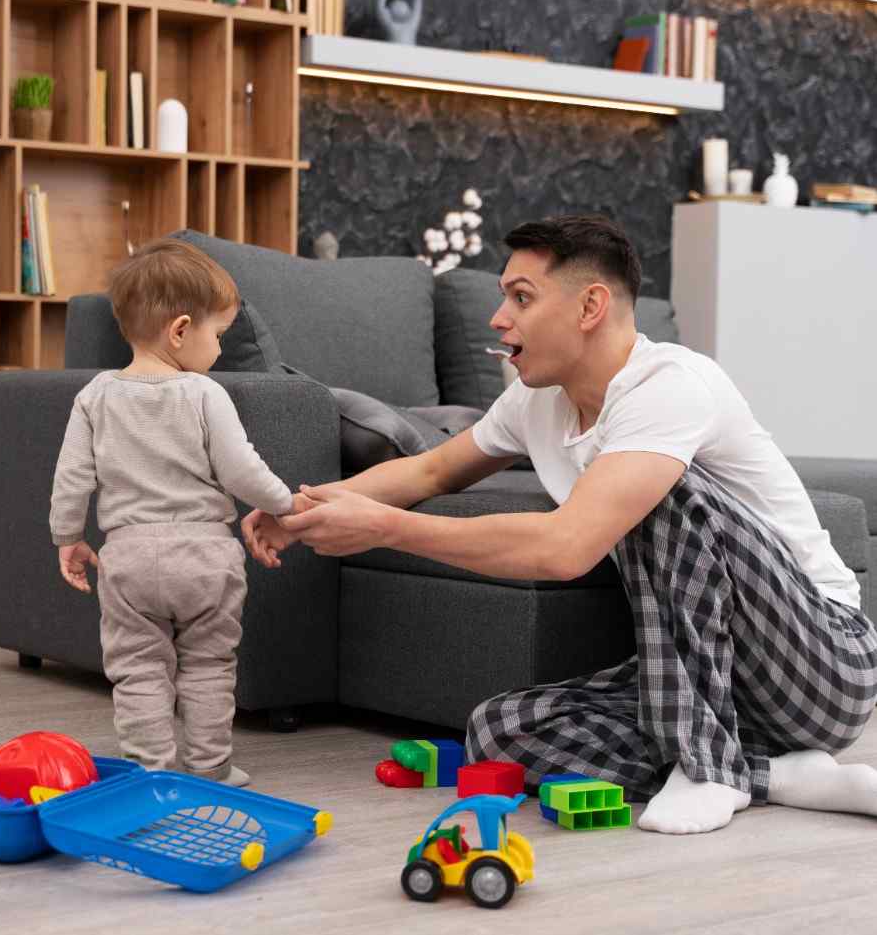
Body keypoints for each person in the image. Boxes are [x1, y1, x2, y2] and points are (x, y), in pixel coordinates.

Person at [244, 214, 877, 835]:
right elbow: (431, 471)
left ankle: (710, 768)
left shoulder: (671, 386)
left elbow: (566, 547)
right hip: (713, 686)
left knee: (666, 493)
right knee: (500, 731)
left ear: (590, 306)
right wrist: (302, 510)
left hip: (823, 661)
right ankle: (778, 777)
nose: (499, 319)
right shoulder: (536, 400)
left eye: (521, 297)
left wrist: (385, 528)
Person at [50, 238, 292, 787]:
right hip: (206, 556)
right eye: (219, 335)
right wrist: (286, 504)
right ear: (181, 331)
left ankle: (148, 772)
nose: (220, 350)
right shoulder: (204, 394)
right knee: (209, 666)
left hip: (128, 558)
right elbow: (241, 470)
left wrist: (68, 537)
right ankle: (211, 767)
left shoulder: (95, 395)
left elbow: (71, 479)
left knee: (137, 669)